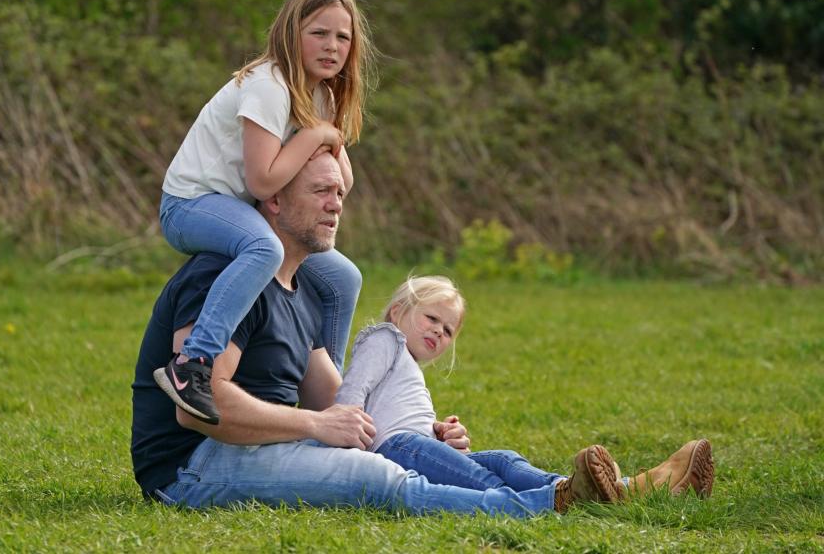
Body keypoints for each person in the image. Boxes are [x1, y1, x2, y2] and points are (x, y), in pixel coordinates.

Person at [132, 154, 687, 517]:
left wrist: (421, 428)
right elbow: (196, 409)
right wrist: (313, 424)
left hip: (257, 444)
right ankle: (558, 503)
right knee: (378, 475)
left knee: (434, 453)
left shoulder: (302, 290)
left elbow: (339, 400)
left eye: (340, 193)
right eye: (321, 191)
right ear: (272, 200)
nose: (336, 204)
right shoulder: (221, 276)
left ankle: (614, 486)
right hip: (192, 466)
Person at [153, 0, 374, 424]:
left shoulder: (321, 94)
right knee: (264, 249)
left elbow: (342, 179)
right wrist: (316, 135)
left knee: (343, 278)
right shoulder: (269, 85)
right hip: (191, 204)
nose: (332, 46)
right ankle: (192, 365)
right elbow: (262, 180)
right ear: (291, 33)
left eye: (342, 37)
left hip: (240, 210)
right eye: (319, 33)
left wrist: (328, 133)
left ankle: (331, 396)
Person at [335, 276, 715, 510]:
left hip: (412, 445)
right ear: (399, 310)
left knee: (502, 459)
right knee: (484, 481)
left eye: (448, 330)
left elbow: (391, 409)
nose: (438, 331)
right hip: (398, 450)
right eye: (431, 318)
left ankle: (613, 490)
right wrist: (346, 444)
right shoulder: (385, 337)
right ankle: (563, 499)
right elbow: (355, 390)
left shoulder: (405, 361)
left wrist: (440, 433)